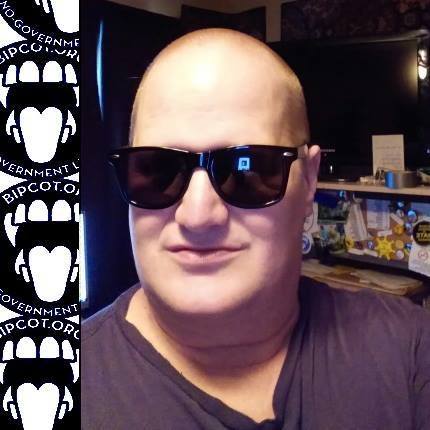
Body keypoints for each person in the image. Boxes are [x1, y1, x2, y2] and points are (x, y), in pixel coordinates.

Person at [82, 28, 430, 430]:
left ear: (309, 179)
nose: (197, 215)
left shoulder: (410, 350)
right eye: (157, 170)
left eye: (247, 169)